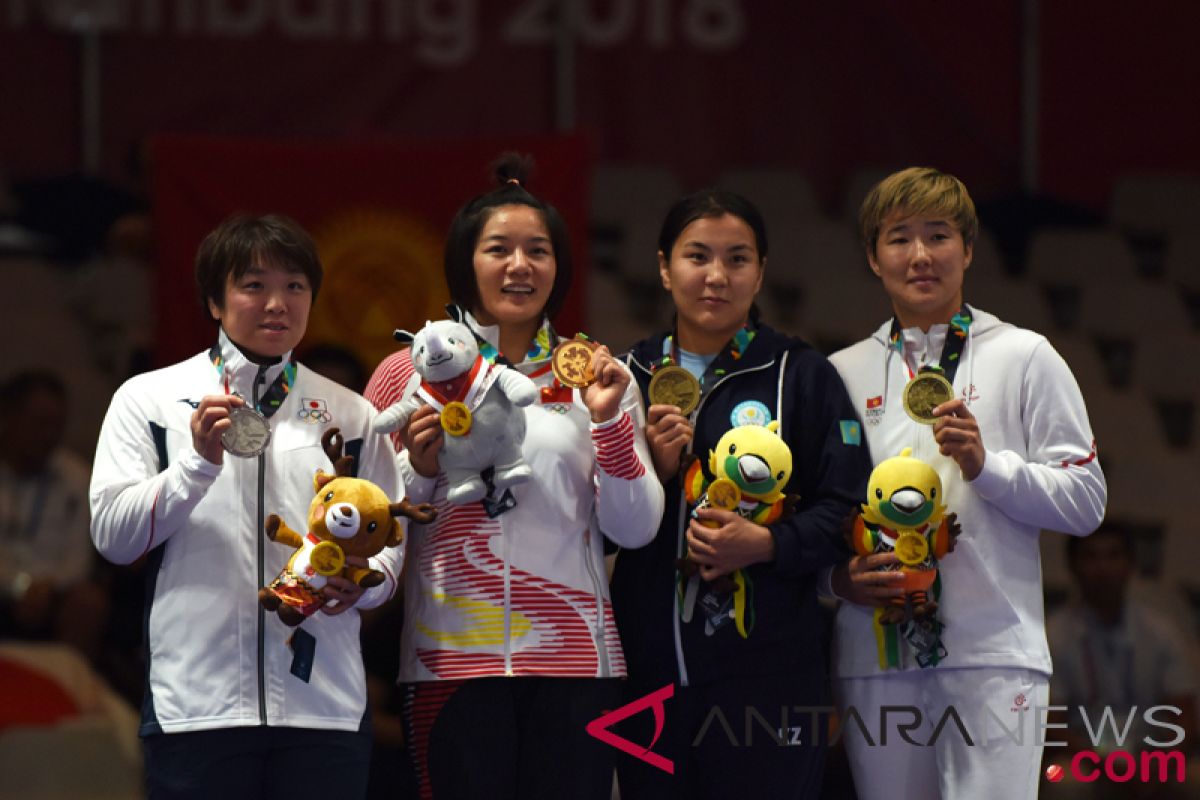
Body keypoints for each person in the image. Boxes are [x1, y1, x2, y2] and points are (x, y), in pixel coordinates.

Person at [364, 155, 663, 800]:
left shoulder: (598, 376)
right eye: (499, 249)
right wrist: (419, 477)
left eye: (538, 251)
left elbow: (634, 530)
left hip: (579, 662)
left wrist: (609, 425)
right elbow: (370, 521)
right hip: (450, 658)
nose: (520, 266)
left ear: (559, 268)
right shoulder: (403, 375)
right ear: (465, 263)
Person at [89, 214, 406, 798]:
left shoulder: (351, 414)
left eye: (294, 286)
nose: (277, 304)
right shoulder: (149, 400)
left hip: (324, 706)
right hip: (198, 705)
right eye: (253, 285)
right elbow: (114, 536)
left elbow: (389, 544)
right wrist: (197, 464)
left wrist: (365, 582)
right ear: (215, 301)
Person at [827, 167, 1107, 800]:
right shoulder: (841, 373)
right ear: (873, 258)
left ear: (969, 250)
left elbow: (1088, 503)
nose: (920, 256)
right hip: (877, 658)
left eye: (939, 235)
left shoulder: (1026, 356)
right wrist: (837, 581)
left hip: (994, 654)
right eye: (899, 238)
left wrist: (988, 467)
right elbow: (821, 517)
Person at [612, 189, 871, 798]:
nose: (716, 276)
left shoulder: (802, 374)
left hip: (771, 675)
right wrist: (649, 471)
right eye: (697, 256)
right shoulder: (622, 377)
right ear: (663, 266)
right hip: (649, 671)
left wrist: (767, 543)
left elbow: (847, 506)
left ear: (760, 273)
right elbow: (590, 527)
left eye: (737, 258)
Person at [1046, 521, 1198, 757]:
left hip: (1152, 753)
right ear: (1073, 566)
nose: (1103, 567)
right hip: (1084, 756)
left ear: (1130, 565)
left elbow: (1185, 716)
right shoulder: (1053, 635)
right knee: (1067, 784)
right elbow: (1050, 724)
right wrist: (1102, 763)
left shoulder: (1161, 631)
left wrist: (1161, 765)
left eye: (1114, 555)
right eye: (1091, 556)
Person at [0, 370, 101, 658]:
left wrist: (46, 588)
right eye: (39, 424)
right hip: (6, 586)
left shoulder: (76, 476)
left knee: (88, 603)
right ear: (8, 417)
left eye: (57, 425)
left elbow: (79, 561)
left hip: (53, 594)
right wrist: (20, 587)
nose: (49, 435)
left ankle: (68, 692)